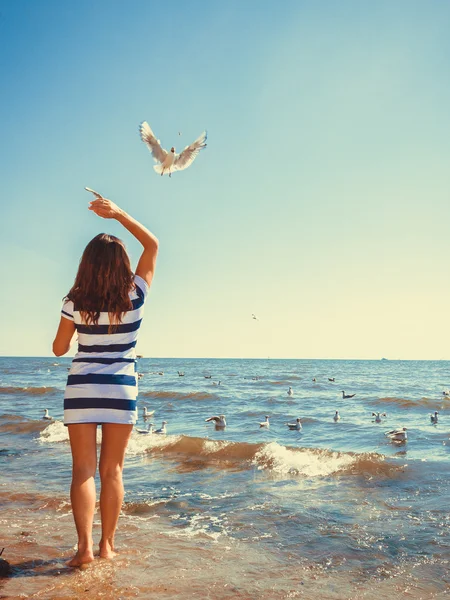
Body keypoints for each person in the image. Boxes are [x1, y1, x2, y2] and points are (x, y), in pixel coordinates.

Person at [52, 196, 159, 567]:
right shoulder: (136, 295)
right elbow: (153, 244)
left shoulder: (74, 300)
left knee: (82, 469)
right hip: (120, 389)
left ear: (86, 265)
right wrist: (119, 214)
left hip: (82, 387)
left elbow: (58, 348)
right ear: (124, 265)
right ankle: (107, 546)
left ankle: (82, 550)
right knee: (111, 470)